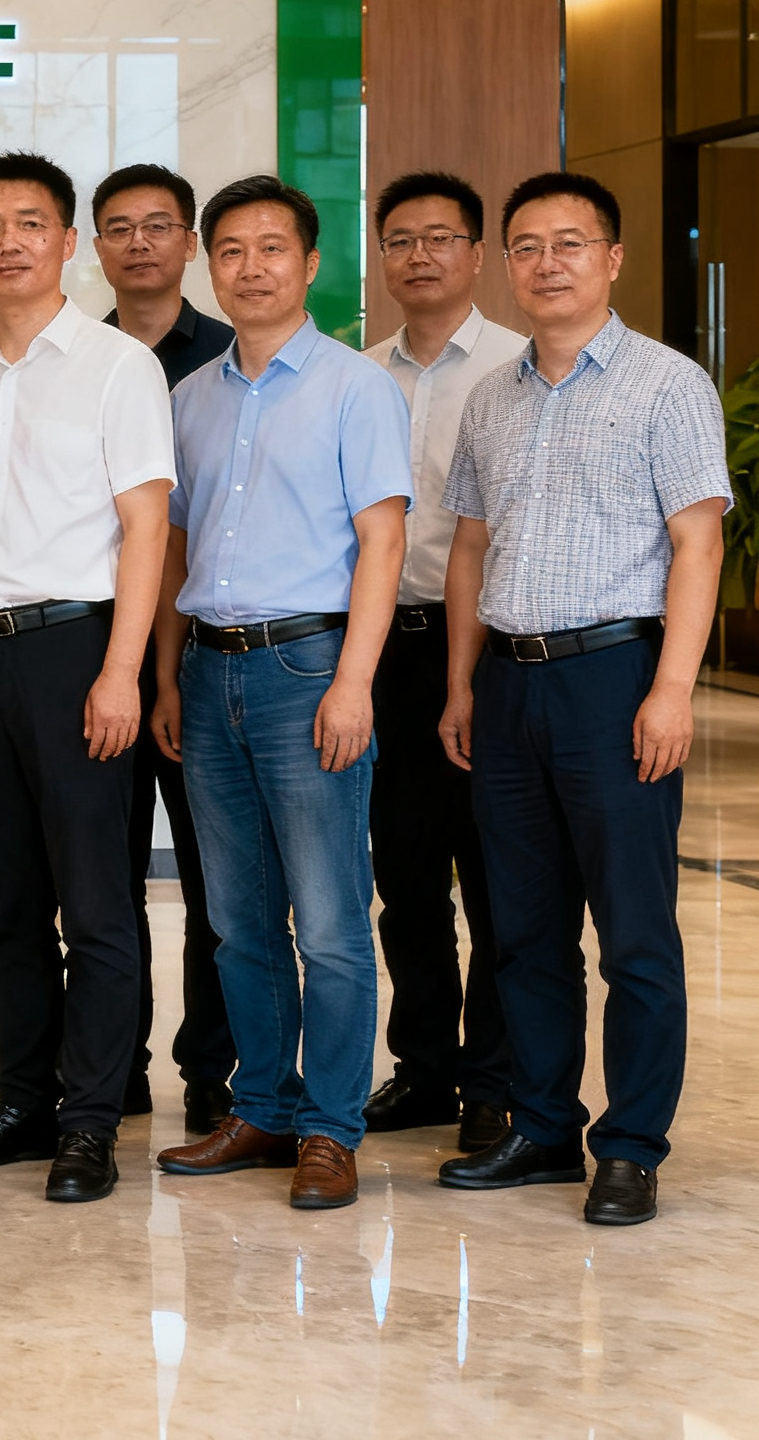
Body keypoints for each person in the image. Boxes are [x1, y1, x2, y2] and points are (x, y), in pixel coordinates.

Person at [437, 171, 728, 1227]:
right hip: (507, 683)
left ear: (611, 257)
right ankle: (542, 1126)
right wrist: (461, 683)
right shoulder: (491, 397)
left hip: (615, 678)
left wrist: (670, 689)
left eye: (569, 242)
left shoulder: (666, 384)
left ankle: (631, 1147)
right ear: (505, 265)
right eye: (526, 245)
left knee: (633, 933)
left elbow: (698, 542)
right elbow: (470, 547)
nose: (546, 262)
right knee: (521, 929)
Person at [0, 153, 176, 1203]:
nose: (8, 241)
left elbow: (146, 527)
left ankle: (89, 1120)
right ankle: (21, 1099)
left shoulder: (119, 366)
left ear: (68, 242)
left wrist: (120, 672)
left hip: (79, 648)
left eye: (30, 222)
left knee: (96, 903)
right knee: (7, 901)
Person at [152, 175, 410, 1212]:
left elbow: (383, 542)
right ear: (208, 265)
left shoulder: (356, 387)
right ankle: (260, 1106)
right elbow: (175, 548)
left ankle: (330, 1129)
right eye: (230, 249)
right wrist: (168, 673)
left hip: (309, 669)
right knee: (237, 918)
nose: (250, 267)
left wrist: (353, 681)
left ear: (309, 264)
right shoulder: (189, 398)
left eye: (271, 248)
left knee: (331, 921)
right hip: (207, 666)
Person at [361, 171, 523, 1155]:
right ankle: (423, 1067)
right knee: (405, 873)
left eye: (440, 238)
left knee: (496, 875)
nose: (419, 255)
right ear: (379, 255)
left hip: (487, 654)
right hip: (383, 649)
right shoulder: (355, 375)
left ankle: (492, 1081)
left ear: (474, 254)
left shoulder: (516, 368)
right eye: (400, 240)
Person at [91, 161, 236, 1134]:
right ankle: (115, 1065)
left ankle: (212, 1071)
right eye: (119, 226)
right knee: (102, 881)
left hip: (204, 658)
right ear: (93, 246)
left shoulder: (233, 355)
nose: (138, 242)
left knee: (214, 879)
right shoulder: (72, 356)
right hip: (94, 655)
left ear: (188, 243)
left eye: (157, 225)